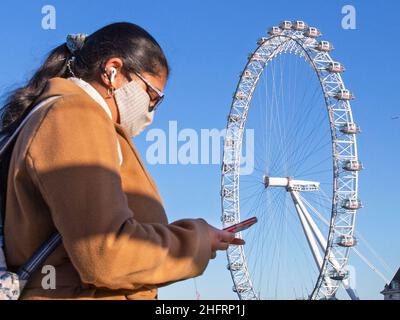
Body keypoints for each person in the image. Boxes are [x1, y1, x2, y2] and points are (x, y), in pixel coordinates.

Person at [1, 22, 244, 300]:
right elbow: (105, 252)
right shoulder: (75, 114)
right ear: (113, 71)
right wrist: (197, 240)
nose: (151, 112)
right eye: (152, 96)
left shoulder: (54, 112)